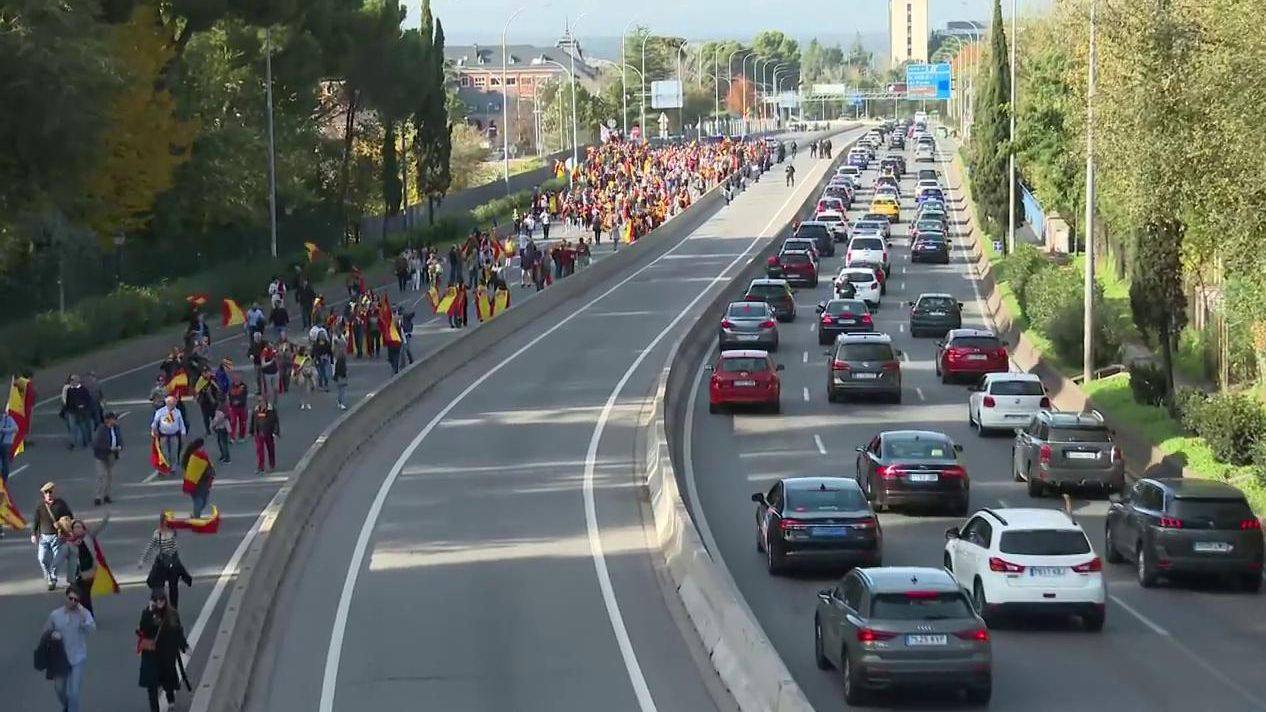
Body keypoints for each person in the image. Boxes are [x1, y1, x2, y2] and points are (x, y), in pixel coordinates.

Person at [45, 586, 95, 712]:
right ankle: (68, 706)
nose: (72, 602)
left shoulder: (83, 614)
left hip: (77, 658)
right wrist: (52, 635)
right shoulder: (55, 615)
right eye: (70, 598)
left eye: (76, 600)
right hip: (60, 659)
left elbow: (91, 628)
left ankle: (73, 709)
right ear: (66, 597)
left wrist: (83, 613)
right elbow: (46, 632)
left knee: (74, 692)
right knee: (59, 689)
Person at [138, 588, 189, 712]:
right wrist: (150, 612)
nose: (160, 603)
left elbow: (177, 631)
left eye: (162, 600)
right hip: (151, 652)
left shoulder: (171, 614)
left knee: (168, 677)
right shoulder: (147, 613)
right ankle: (154, 709)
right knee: (152, 684)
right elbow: (143, 628)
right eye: (157, 600)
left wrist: (184, 646)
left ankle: (170, 700)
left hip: (166, 651)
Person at [138, 517, 192, 609]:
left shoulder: (173, 532)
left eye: (168, 522)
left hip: (173, 562)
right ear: (162, 522)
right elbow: (150, 547)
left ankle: (174, 609)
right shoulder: (157, 533)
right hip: (162, 563)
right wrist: (142, 560)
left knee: (173, 587)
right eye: (165, 522)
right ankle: (161, 603)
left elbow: (174, 548)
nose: (166, 524)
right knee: (153, 582)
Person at [32, 482, 73, 590]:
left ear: (54, 492)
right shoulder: (40, 505)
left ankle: (52, 579)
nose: (49, 494)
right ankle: (48, 575)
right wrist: (33, 534)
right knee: (42, 559)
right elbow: (36, 520)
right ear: (43, 494)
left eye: (50, 492)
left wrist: (66, 528)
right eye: (46, 492)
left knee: (56, 561)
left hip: (57, 537)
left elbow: (70, 518)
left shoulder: (61, 504)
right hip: (44, 537)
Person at [65, 517, 109, 616]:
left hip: (88, 573)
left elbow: (98, 527)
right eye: (75, 527)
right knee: (76, 595)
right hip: (75, 574)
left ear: (84, 529)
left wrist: (105, 519)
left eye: (79, 527)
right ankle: (83, 615)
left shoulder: (88, 537)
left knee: (84, 595)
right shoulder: (68, 542)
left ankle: (87, 615)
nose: (77, 529)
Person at [91, 412, 123, 506]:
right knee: (101, 476)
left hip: (112, 455)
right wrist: (108, 448)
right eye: (113, 419)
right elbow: (96, 444)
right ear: (107, 420)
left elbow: (119, 439)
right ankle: (97, 497)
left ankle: (107, 496)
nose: (115, 421)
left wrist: (119, 446)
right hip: (101, 456)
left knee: (109, 476)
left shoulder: (116, 428)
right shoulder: (101, 429)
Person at [151, 396, 186, 477]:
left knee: (174, 452)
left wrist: (183, 433)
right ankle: (166, 467)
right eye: (172, 403)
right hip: (163, 436)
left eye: (174, 403)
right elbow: (155, 423)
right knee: (165, 453)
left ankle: (173, 468)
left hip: (174, 435)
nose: (173, 404)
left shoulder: (177, 412)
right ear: (167, 403)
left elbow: (181, 424)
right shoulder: (160, 412)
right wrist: (154, 431)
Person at [181, 438, 215, 518]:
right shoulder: (197, 456)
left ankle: (196, 514)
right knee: (199, 500)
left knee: (202, 500)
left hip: (199, 481)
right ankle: (196, 517)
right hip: (200, 482)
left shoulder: (196, 455)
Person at [249, 397, 280, 474]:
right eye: (259, 401)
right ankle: (260, 466)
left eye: (262, 401)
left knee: (271, 449)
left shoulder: (271, 410)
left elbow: (276, 421)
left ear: (265, 402)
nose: (261, 403)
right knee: (259, 450)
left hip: (268, 433)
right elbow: (253, 421)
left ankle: (272, 464)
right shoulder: (256, 410)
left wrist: (276, 432)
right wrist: (251, 431)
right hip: (259, 433)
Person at [0, 406, 17, 482]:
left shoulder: (8, 419)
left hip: (6, 443)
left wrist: (4, 430)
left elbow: (15, 429)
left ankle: (4, 477)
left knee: (5, 459)